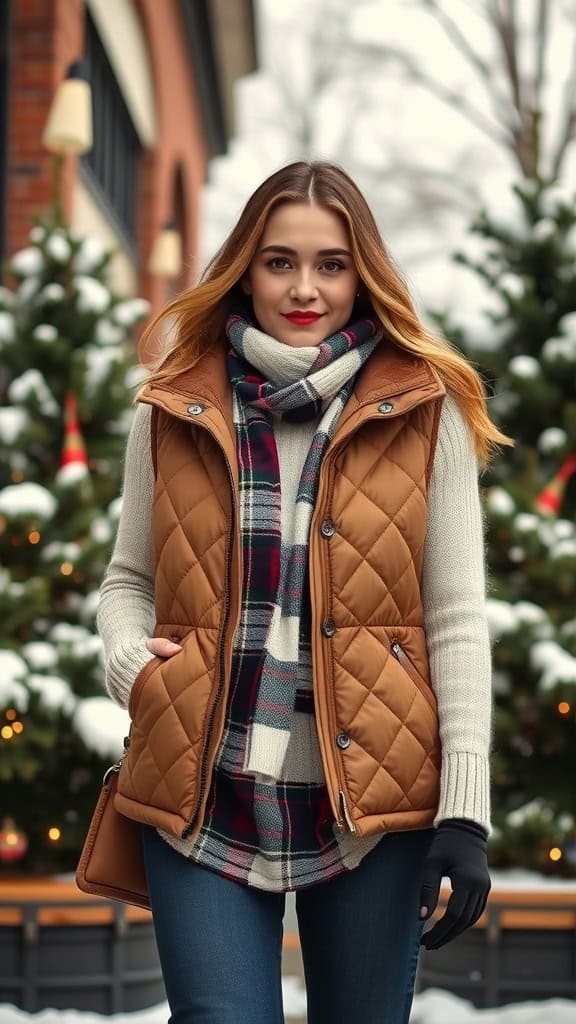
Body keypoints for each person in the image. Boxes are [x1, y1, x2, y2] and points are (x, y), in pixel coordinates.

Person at [97, 160, 512, 1024]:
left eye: (330, 264)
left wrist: (465, 815)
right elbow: (129, 579)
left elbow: (456, 620)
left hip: (376, 801)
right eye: (280, 261)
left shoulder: (422, 408)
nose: (304, 287)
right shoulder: (173, 405)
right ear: (245, 266)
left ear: (363, 272)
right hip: (201, 786)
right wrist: (136, 669)